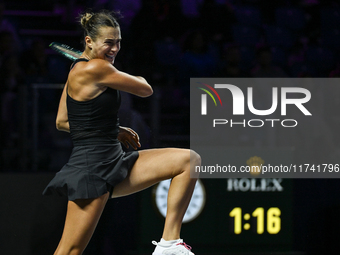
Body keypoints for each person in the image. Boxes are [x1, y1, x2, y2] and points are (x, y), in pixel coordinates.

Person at [42, 10, 201, 255]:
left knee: (188, 160)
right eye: (108, 42)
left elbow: (63, 121)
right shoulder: (96, 69)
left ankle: (169, 244)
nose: (115, 48)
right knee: (70, 251)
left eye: (118, 42)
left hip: (115, 159)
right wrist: (126, 75)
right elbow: (145, 89)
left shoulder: (79, 70)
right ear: (89, 42)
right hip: (92, 168)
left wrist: (112, 130)